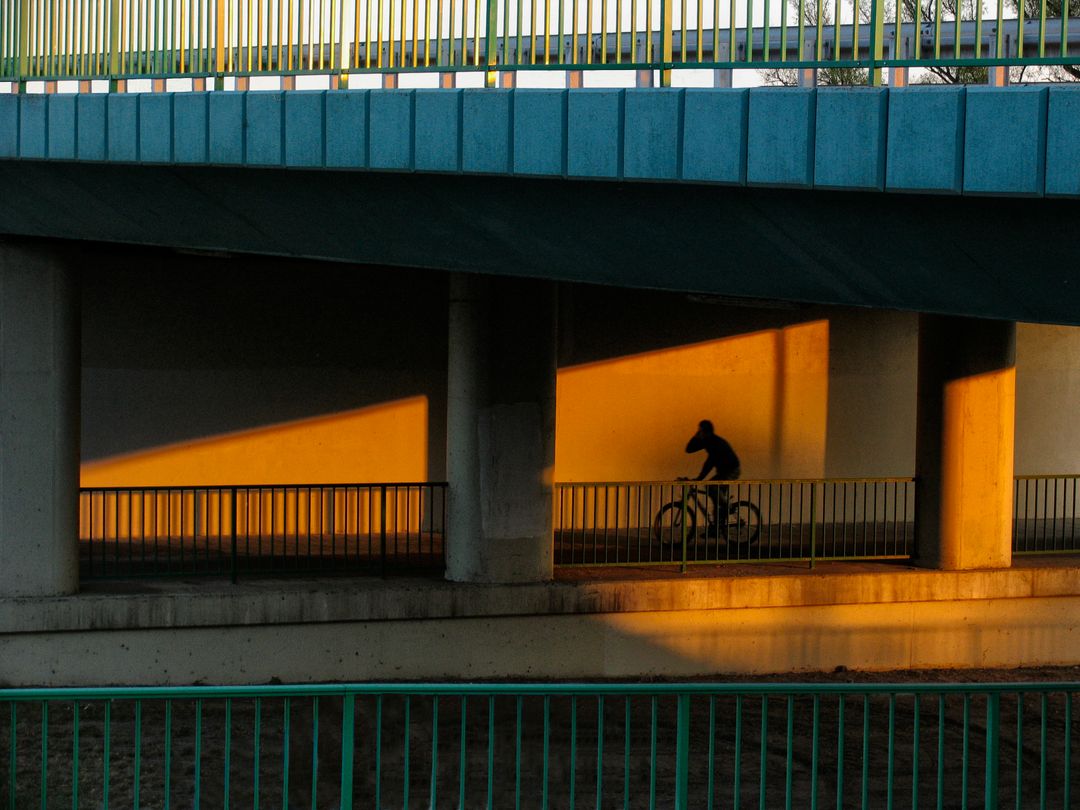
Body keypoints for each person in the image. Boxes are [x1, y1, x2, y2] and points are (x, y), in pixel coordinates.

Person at [684, 420, 740, 534]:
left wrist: (700, 478)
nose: (699, 433)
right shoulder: (707, 441)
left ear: (707, 432)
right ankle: (716, 528)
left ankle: (728, 507)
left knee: (711, 487)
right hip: (723, 471)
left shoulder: (716, 443)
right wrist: (695, 436)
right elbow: (689, 449)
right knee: (715, 498)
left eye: (700, 431)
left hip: (731, 470)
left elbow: (710, 462)